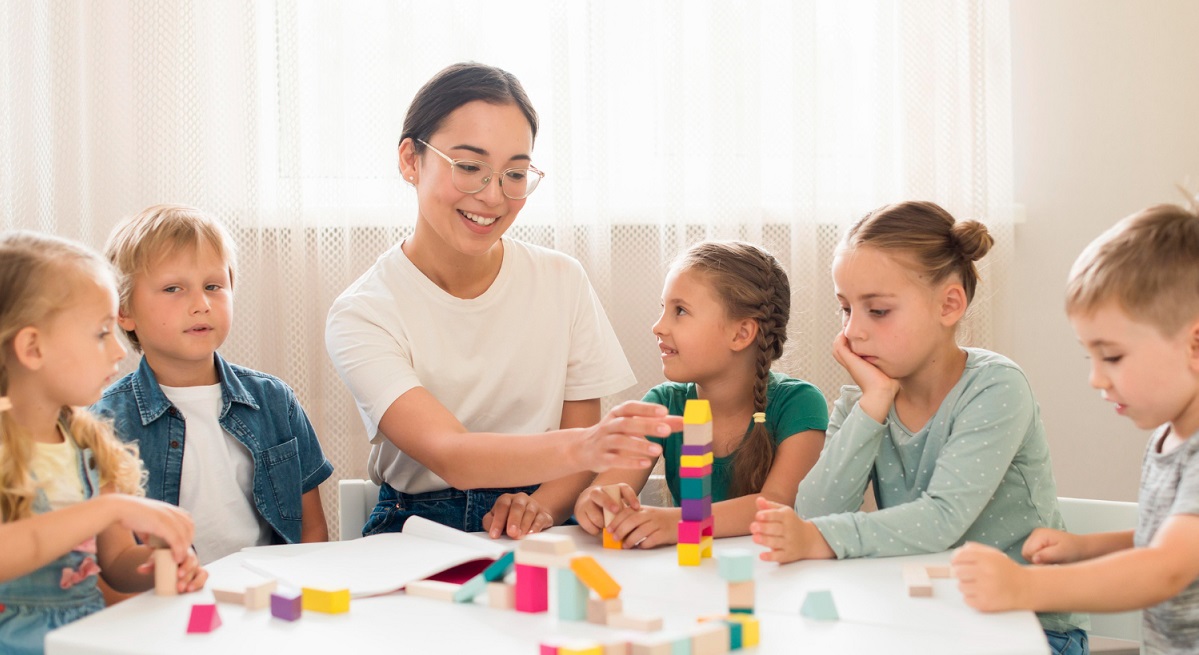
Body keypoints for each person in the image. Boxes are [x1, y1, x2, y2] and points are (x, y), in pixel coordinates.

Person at [326, 62, 676, 539]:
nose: (493, 195)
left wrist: (542, 505)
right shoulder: (363, 312)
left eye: (515, 173)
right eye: (470, 167)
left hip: (547, 511)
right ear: (410, 160)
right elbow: (451, 455)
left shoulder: (561, 280)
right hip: (414, 523)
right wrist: (591, 446)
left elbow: (574, 446)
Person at [749, 201, 1087, 653]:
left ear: (949, 304)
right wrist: (872, 404)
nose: (852, 333)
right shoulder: (866, 397)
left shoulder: (996, 386)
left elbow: (941, 519)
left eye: (878, 311)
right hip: (926, 619)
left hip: (1030, 626)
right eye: (845, 309)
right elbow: (815, 512)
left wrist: (819, 538)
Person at [953, 202, 1199, 655]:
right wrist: (1085, 547)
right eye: (1091, 358)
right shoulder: (1169, 437)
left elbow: (1167, 566)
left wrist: (1025, 589)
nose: (1096, 379)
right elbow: (1168, 537)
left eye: (1113, 356)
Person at [0, 231, 205, 655]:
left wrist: (161, 562)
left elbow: (115, 566)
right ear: (32, 347)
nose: (118, 350)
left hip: (87, 637)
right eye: (101, 333)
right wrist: (108, 508)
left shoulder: (87, 444)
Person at [93, 204, 333, 565]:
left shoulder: (274, 400)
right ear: (123, 311)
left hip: (268, 595)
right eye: (173, 288)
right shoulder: (106, 422)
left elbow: (311, 530)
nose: (201, 304)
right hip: (168, 603)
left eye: (213, 286)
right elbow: (110, 561)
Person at [573, 241, 828, 547]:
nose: (657, 326)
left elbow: (776, 503)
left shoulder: (798, 404)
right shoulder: (662, 406)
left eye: (680, 311)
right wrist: (595, 502)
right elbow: (610, 486)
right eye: (663, 308)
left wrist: (680, 523)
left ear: (741, 333)